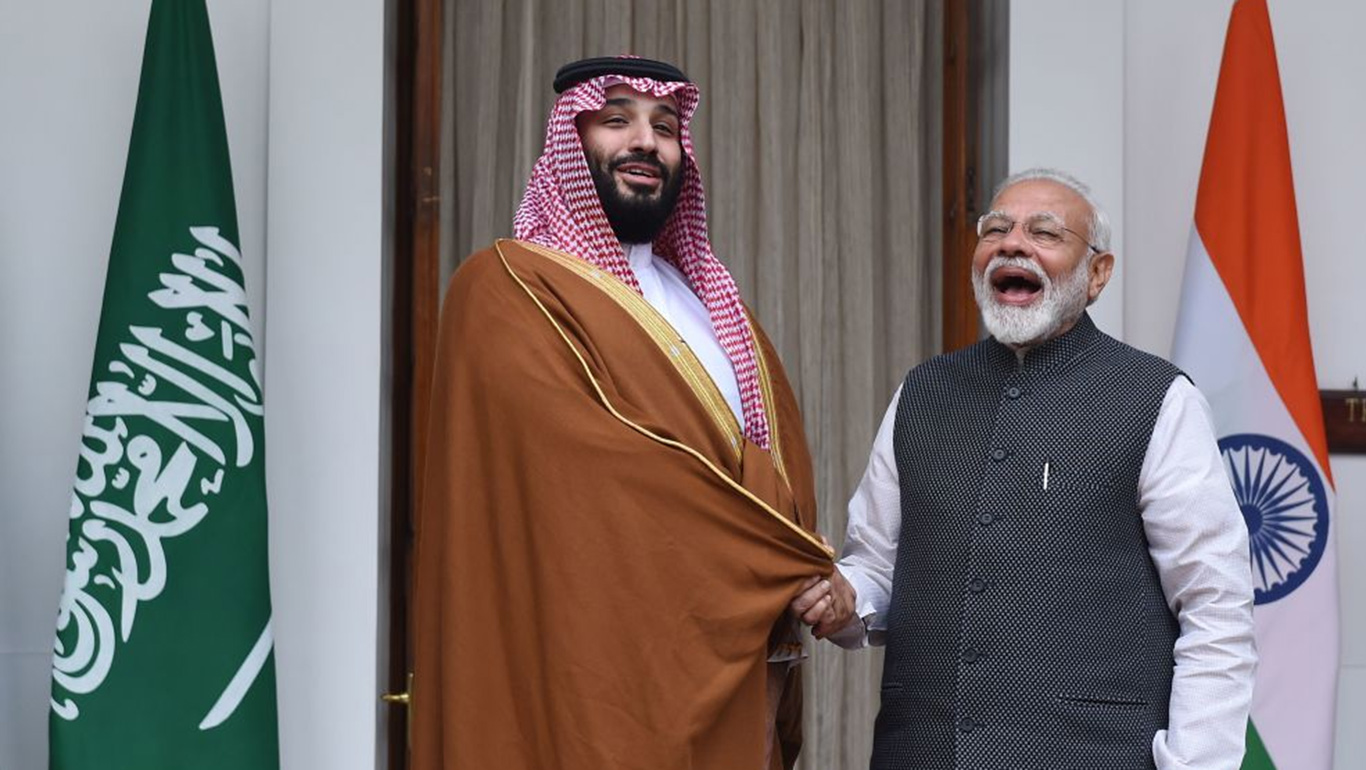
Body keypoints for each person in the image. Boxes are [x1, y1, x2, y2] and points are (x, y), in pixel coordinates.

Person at [410, 56, 834, 770]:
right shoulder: (506, 290)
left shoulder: (714, 306)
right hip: (587, 671)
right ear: (569, 142)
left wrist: (798, 566)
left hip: (733, 669)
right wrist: (782, 556)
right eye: (617, 120)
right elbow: (596, 476)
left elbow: (771, 460)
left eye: (665, 128)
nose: (645, 141)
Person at [793, 169, 1256, 769]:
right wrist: (842, 599)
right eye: (995, 230)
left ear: (1097, 274)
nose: (1012, 244)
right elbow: (878, 565)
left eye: (1045, 232)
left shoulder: (1157, 399)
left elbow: (1215, 606)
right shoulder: (923, 392)